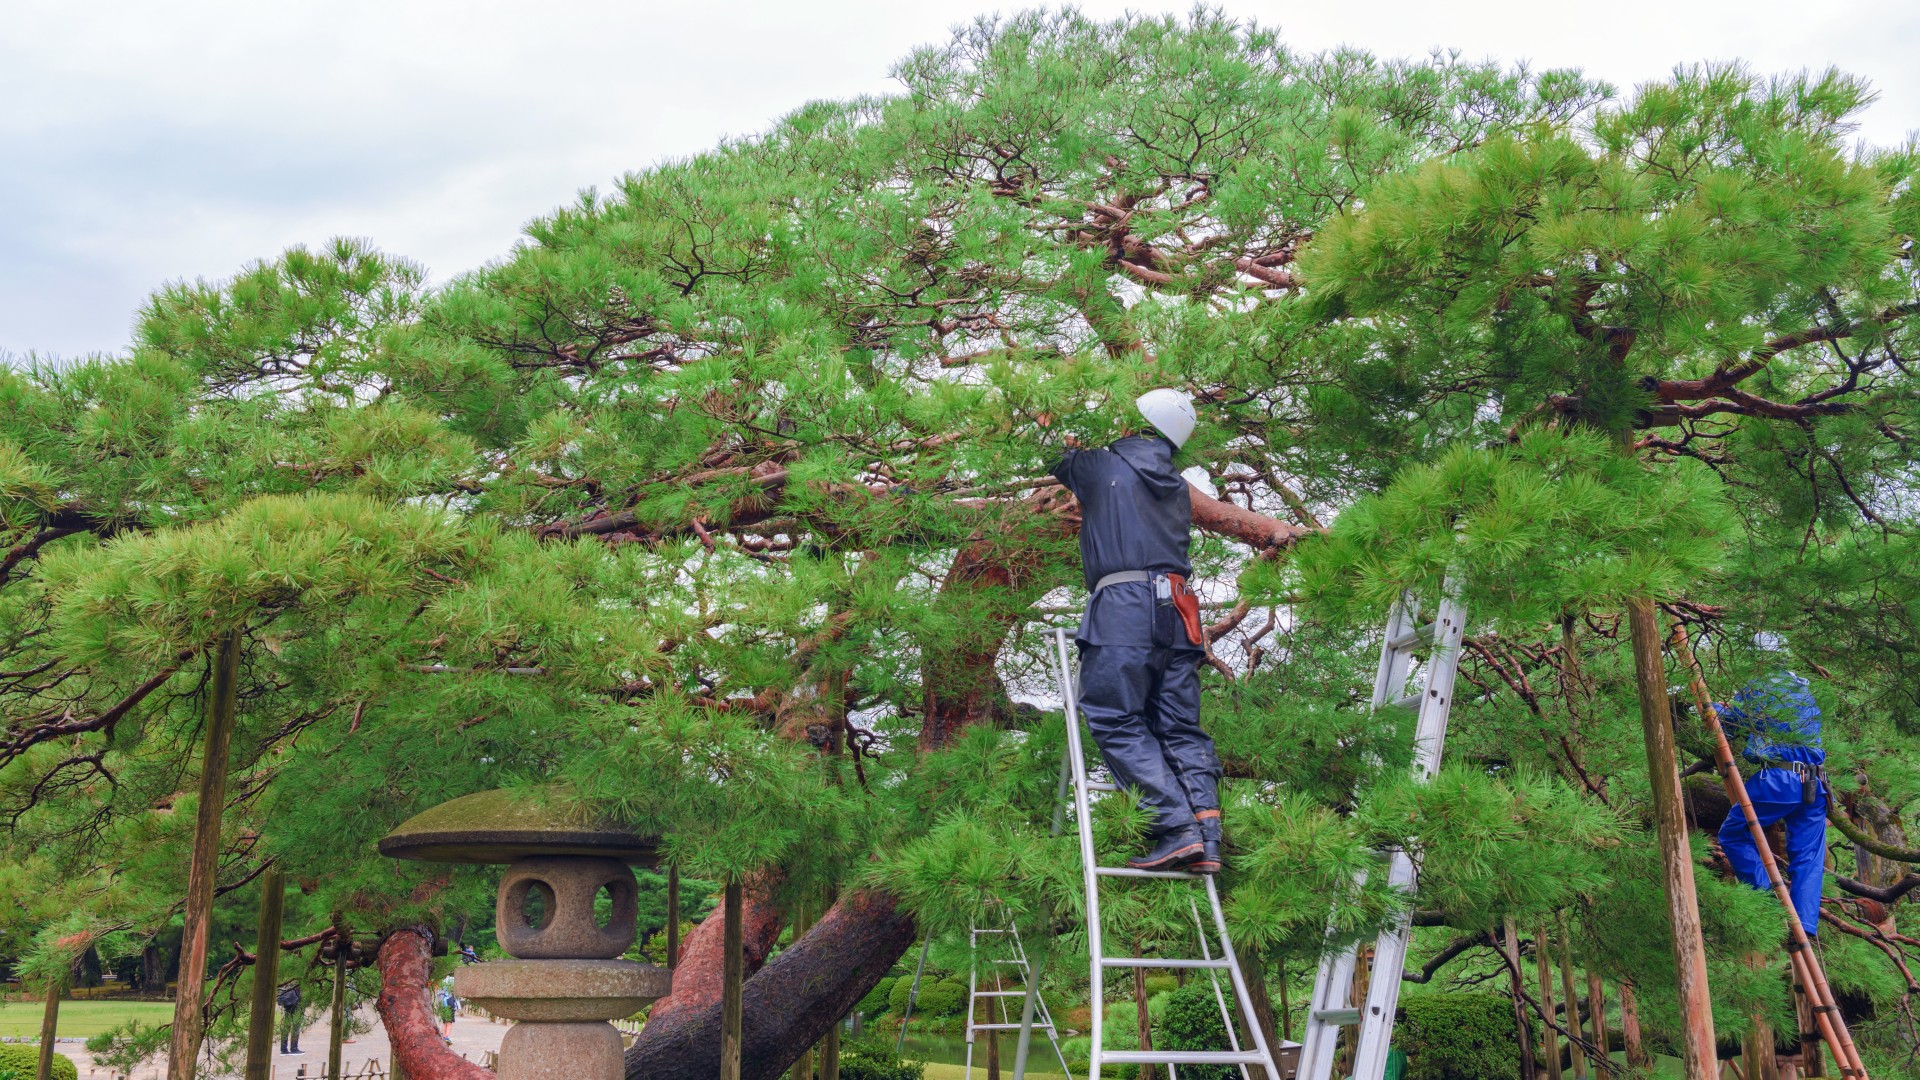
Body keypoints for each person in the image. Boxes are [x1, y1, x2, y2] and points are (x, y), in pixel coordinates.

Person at [1050, 389, 1224, 872]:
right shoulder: (1175, 484)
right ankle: (1207, 835)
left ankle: (1174, 828)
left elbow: (1047, 450)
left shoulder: (1104, 465)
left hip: (1125, 608)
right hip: (1180, 612)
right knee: (1179, 725)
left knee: (1115, 715)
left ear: (1132, 424)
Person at [1715, 634, 1827, 938]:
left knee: (1733, 833)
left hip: (1780, 779)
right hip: (1814, 781)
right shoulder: (1802, 687)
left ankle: (1768, 904)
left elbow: (1729, 723)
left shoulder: (1758, 686)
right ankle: (1804, 924)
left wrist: (1702, 705)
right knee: (1808, 856)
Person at [276, 980, 303, 1054]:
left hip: (287, 1004)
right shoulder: (298, 979)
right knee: (296, 1026)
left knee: (286, 1026)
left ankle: (283, 1049)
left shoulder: (287, 980)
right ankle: (294, 1049)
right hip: (295, 1002)